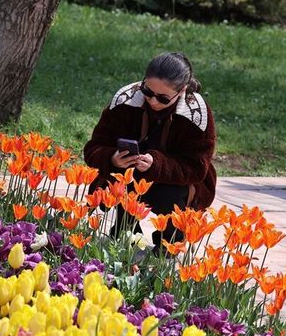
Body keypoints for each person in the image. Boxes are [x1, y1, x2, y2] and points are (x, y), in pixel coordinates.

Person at [83, 52, 217, 248]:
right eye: (147, 90)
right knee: (123, 179)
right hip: (129, 174)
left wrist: (157, 165)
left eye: (163, 98)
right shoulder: (125, 100)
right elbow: (93, 148)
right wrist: (112, 158)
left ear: (182, 91)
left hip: (175, 183)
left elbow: (197, 168)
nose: (153, 101)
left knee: (170, 195)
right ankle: (124, 233)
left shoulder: (195, 113)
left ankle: (170, 242)